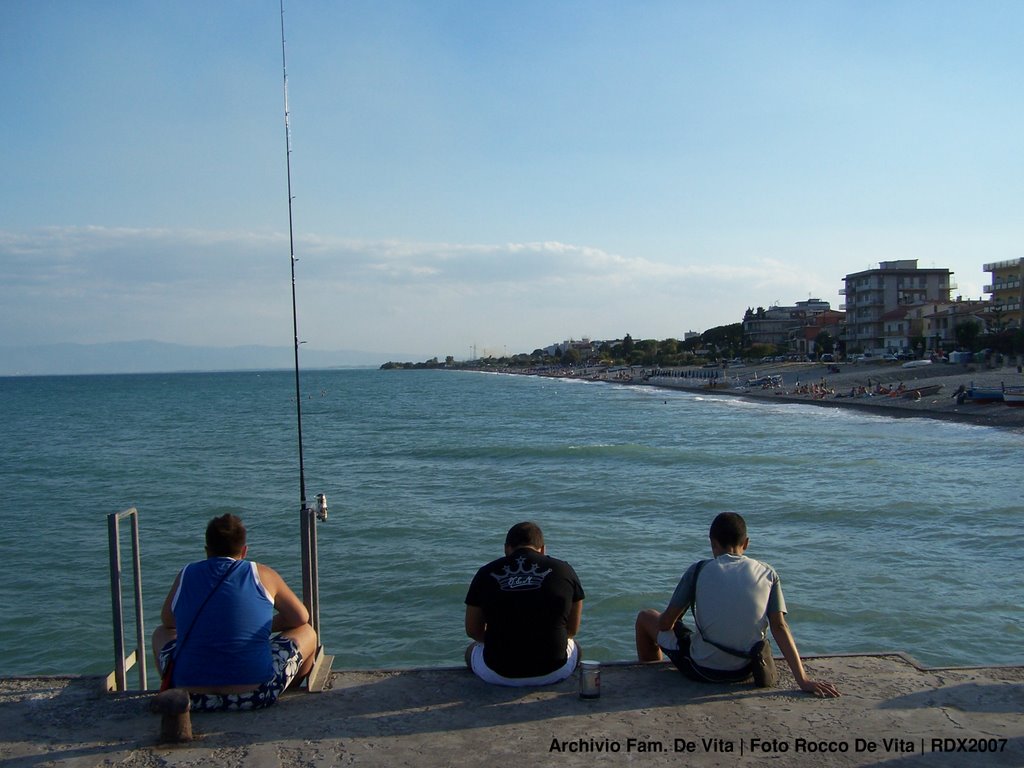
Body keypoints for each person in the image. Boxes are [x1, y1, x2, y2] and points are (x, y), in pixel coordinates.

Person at [635, 512, 839, 697]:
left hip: (703, 670)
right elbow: (779, 626)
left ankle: (651, 674)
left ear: (713, 543)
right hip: (747, 669)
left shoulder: (698, 571)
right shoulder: (768, 572)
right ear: (747, 543)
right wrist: (803, 680)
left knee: (646, 617)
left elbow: (665, 625)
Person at [152, 513, 318, 710]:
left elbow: (168, 621)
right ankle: (287, 692)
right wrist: (263, 628)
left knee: (160, 633)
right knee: (307, 632)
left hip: (191, 698)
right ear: (244, 550)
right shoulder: (261, 574)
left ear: (207, 550)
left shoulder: (186, 574)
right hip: (254, 695)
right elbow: (300, 617)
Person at [464, 521, 585, 686]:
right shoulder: (565, 570)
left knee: (470, 650)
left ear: (507, 548)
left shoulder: (485, 572)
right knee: (576, 646)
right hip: (554, 671)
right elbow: (572, 630)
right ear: (542, 549)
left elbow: (473, 630)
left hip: (498, 672)